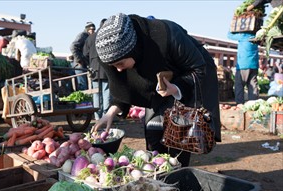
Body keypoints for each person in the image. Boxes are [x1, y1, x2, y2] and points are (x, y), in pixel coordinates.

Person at [92, 13, 221, 167]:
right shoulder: (119, 55)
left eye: (120, 63)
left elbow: (199, 69)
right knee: (154, 132)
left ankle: (178, 174)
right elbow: (124, 85)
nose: (118, 70)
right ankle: (157, 175)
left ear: (132, 50)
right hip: (161, 83)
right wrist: (110, 113)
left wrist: (177, 88)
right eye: (113, 66)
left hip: (191, 74)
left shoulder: (168, 35)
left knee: (179, 134)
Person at [83, 19, 111, 121]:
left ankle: (97, 116)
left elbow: (85, 54)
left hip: (94, 69)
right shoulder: (107, 36)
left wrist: (90, 62)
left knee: (96, 93)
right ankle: (106, 116)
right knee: (106, 92)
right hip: (106, 68)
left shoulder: (90, 38)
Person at [227, 31, 259, 104]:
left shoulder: (243, 36)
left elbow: (229, 35)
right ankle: (253, 104)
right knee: (253, 86)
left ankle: (240, 104)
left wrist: (233, 28)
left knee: (239, 86)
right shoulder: (255, 37)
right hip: (254, 65)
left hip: (243, 65)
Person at [70, 22, 96, 90]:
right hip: (79, 64)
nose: (93, 31)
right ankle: (83, 100)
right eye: (91, 29)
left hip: (85, 63)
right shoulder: (82, 35)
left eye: (94, 29)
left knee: (87, 84)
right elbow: (73, 46)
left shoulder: (90, 37)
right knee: (83, 85)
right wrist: (79, 59)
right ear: (87, 29)